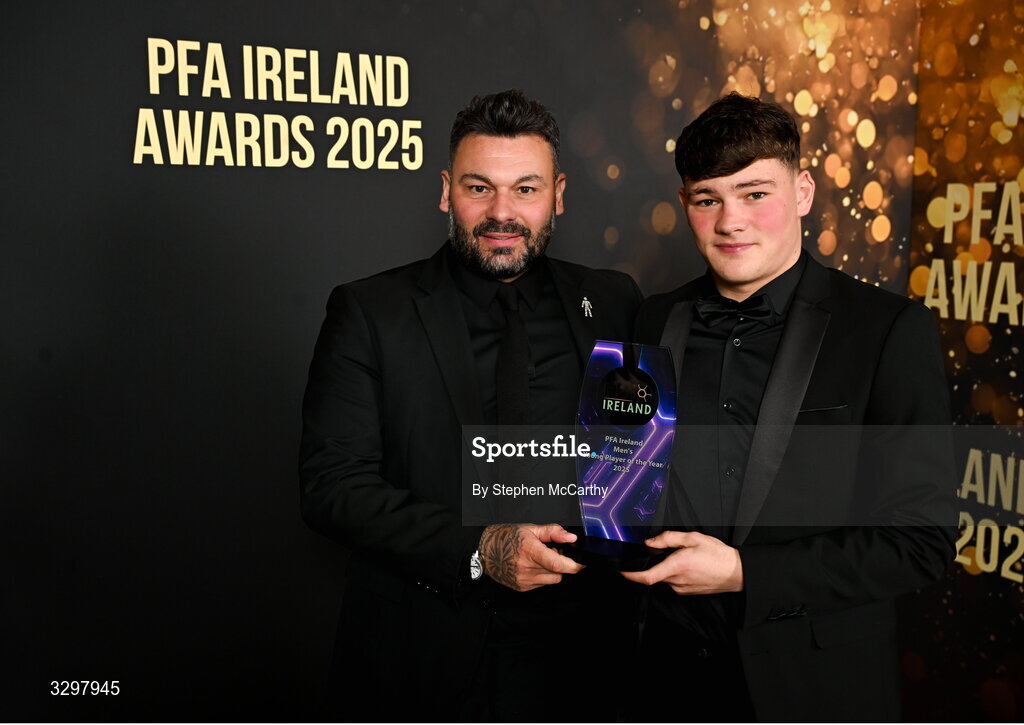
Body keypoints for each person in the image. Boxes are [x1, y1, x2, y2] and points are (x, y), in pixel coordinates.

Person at [299, 89, 642, 722]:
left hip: (584, 659)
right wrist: (480, 550)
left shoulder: (614, 301)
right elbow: (332, 486)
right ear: (444, 190)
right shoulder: (371, 311)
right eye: (479, 188)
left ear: (559, 195)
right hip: (423, 652)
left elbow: (641, 456)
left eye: (526, 189)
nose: (502, 213)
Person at [623, 93, 956, 721]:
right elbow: (625, 479)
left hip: (812, 687)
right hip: (664, 679)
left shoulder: (889, 330)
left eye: (755, 194)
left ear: (802, 191)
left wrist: (745, 573)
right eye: (707, 199)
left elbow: (921, 541)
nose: (730, 222)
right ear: (685, 206)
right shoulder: (652, 318)